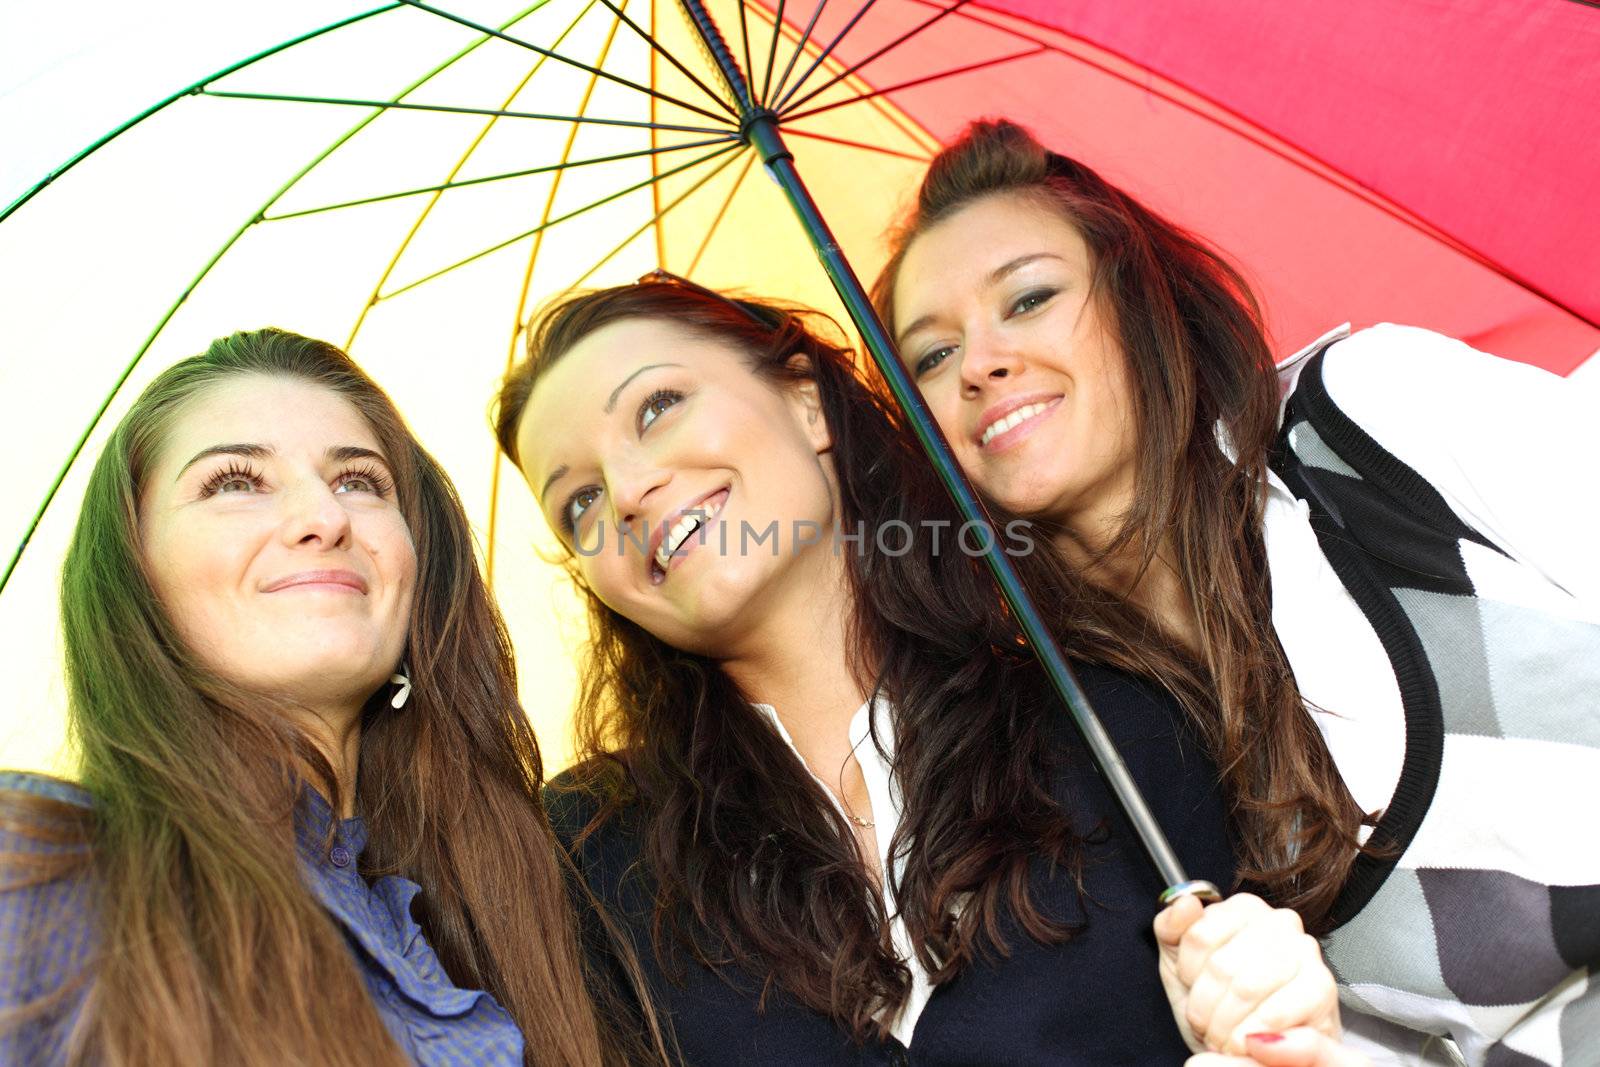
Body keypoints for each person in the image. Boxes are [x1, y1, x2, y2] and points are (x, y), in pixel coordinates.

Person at [873, 119, 1600, 1066]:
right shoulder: (1095, 762)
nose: (979, 364)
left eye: (1030, 298)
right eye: (931, 356)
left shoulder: (1366, 429)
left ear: (1143, 297)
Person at [492, 277, 1348, 1065]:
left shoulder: (1116, 723)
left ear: (805, 402)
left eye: (657, 407)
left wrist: (1271, 1036)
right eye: (580, 502)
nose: (629, 488)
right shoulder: (589, 862)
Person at [0, 329, 630, 1066]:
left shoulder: (509, 926)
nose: (325, 519)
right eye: (235, 482)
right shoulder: (39, 874)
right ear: (136, 572)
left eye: (360, 482)